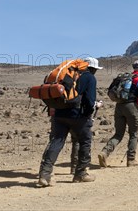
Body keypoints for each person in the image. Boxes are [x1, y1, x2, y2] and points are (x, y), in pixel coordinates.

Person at [37, 57, 102, 187]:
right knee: (85, 141)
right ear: (92, 68)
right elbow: (89, 100)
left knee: (56, 142)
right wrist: (89, 112)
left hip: (59, 114)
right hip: (78, 116)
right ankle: (80, 173)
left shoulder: (67, 75)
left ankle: (44, 175)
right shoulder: (89, 78)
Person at [98, 60, 138, 168]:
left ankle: (104, 152)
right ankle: (131, 160)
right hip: (131, 107)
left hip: (119, 107)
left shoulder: (126, 77)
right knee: (133, 134)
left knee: (118, 134)